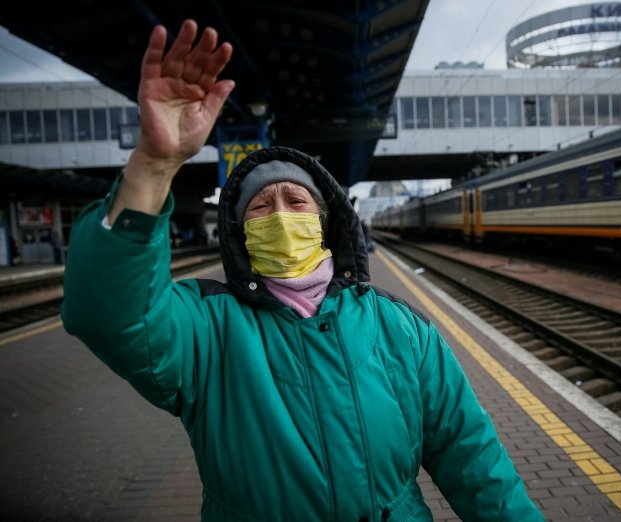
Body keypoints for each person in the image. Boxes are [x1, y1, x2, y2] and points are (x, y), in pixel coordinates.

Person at [61, 19, 543, 521]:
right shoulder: (207, 328)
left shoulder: (404, 330)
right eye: (260, 207)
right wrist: (155, 163)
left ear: (325, 221)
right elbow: (108, 314)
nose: (281, 214)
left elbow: (473, 457)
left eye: (296, 201)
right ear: (241, 234)